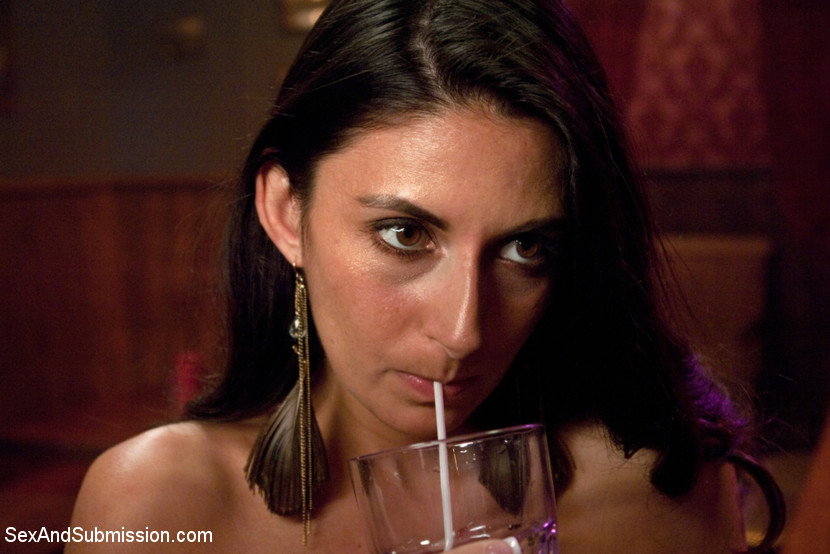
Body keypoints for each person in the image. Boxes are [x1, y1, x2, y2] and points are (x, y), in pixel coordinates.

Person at [68, 0, 785, 552]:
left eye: (525, 247)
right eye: (405, 235)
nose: (464, 331)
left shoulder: (650, 491)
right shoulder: (155, 506)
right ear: (287, 213)